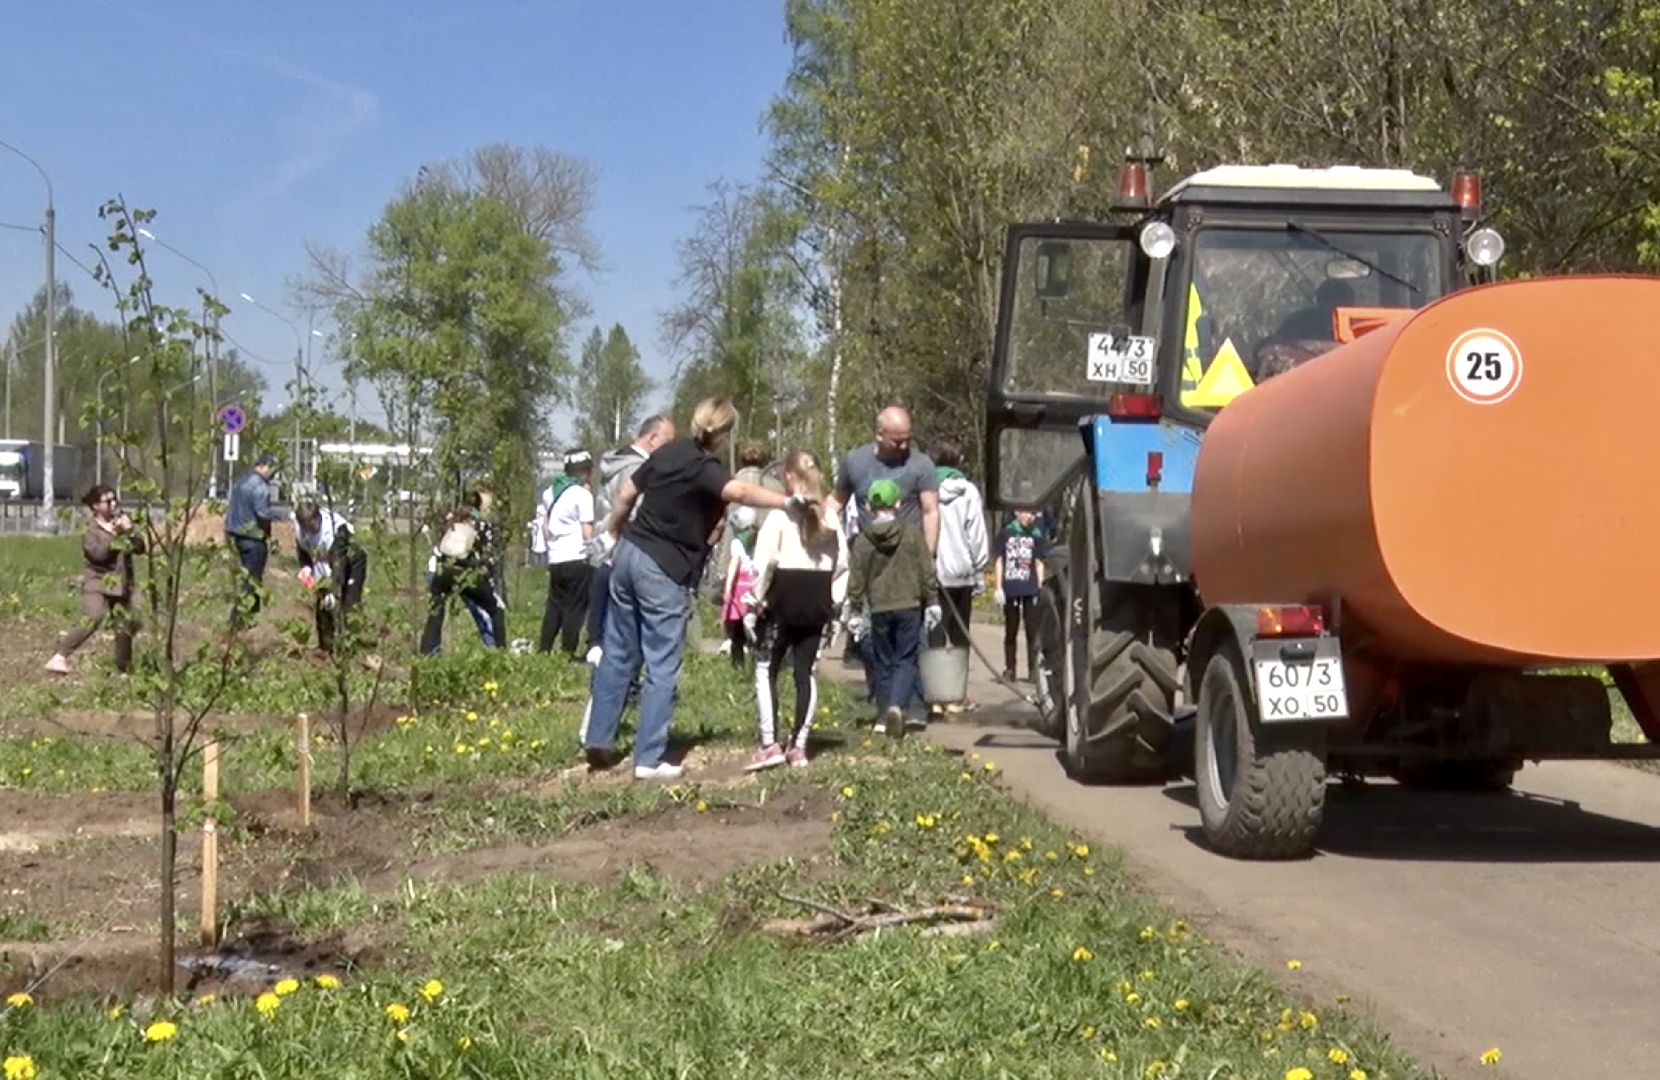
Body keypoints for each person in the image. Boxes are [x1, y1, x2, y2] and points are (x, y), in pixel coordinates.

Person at [582, 397, 812, 781]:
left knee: (619, 651)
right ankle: (648, 759)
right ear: (724, 433)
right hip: (664, 568)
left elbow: (624, 496)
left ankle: (599, 740)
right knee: (661, 661)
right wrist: (787, 502)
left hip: (629, 556)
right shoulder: (705, 467)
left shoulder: (667, 452)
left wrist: (613, 535)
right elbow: (738, 493)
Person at [742, 451, 847, 771]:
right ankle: (799, 746)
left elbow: (764, 563)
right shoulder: (830, 517)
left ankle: (769, 742)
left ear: (789, 477)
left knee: (765, 666)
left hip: (783, 598)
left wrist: (751, 602)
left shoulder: (779, 516)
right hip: (817, 600)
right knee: (806, 672)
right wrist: (837, 605)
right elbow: (842, 565)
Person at [845, 478, 941, 736]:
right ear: (898, 504)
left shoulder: (864, 541)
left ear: (867, 505)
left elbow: (857, 577)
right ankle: (897, 706)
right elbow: (925, 570)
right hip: (909, 605)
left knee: (883, 660)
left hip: (878, 608)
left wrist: (854, 609)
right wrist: (932, 601)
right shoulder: (911, 534)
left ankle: (881, 715)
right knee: (905, 659)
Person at [587, 416, 674, 662]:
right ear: (653, 438)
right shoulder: (637, 468)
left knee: (605, 618)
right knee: (626, 628)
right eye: (668, 441)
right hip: (628, 547)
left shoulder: (615, 462)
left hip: (607, 547)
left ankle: (600, 656)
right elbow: (635, 511)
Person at [45, 485, 144, 676]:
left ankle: (123, 671)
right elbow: (97, 555)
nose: (113, 504)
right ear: (95, 506)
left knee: (124, 625)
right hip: (97, 581)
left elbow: (140, 548)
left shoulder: (121, 524)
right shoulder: (90, 530)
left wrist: (131, 532)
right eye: (108, 501)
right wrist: (115, 536)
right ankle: (60, 656)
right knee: (94, 616)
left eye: (115, 499)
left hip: (121, 582)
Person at [930, 436, 989, 714]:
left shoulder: (925, 488)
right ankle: (956, 695)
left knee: (935, 632)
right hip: (961, 573)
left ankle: (934, 695)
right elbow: (975, 532)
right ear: (959, 461)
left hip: (933, 571)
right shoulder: (968, 492)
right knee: (960, 634)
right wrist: (980, 565)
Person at [420, 490, 507, 655]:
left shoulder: (452, 518)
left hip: (442, 569)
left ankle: (428, 652)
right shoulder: (481, 523)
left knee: (436, 611)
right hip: (464, 571)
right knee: (496, 610)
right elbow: (487, 556)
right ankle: (500, 652)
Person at [538, 450, 595, 658]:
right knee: (575, 608)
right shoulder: (583, 495)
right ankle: (568, 652)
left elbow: (545, 528)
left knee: (554, 606)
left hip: (555, 559)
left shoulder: (549, 493)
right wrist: (594, 554)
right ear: (584, 472)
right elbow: (586, 531)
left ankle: (544, 649)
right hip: (576, 557)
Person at [294, 501, 367, 655]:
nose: (309, 531)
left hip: (350, 560)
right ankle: (325, 646)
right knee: (322, 602)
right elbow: (303, 550)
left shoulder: (336, 530)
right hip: (326, 560)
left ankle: (347, 646)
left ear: (318, 518)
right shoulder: (300, 530)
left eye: (312, 526)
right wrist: (306, 568)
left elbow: (338, 564)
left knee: (349, 603)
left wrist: (333, 590)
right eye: (305, 527)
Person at [224, 453, 283, 626]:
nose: (273, 475)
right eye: (272, 469)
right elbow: (263, 514)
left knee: (244, 577)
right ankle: (238, 620)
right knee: (251, 581)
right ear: (263, 466)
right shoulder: (260, 487)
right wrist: (283, 516)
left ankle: (250, 615)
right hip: (253, 539)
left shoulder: (240, 481)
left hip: (234, 535)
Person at [994, 507, 1048, 683]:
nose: (1029, 517)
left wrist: (1040, 587)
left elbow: (1039, 563)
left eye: (1032, 513)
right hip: (1011, 588)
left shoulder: (1036, 535)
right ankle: (1010, 668)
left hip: (1030, 588)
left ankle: (1033, 670)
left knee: (1033, 631)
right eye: (1025, 512)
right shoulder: (1006, 533)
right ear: (1016, 513)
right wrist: (998, 587)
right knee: (1011, 630)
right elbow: (999, 560)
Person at [721, 505, 759, 667]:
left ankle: (738, 664)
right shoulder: (757, 540)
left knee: (736, 630)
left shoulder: (737, 543)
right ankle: (755, 660)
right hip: (752, 588)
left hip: (739, 589)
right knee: (752, 625)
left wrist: (727, 589)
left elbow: (733, 566)